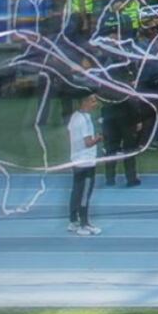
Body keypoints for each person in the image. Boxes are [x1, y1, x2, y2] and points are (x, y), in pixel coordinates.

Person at [67, 93, 102, 236]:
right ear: (85, 102)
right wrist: (99, 138)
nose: (96, 104)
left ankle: (73, 221)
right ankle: (84, 224)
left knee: (76, 191)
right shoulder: (85, 120)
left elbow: (70, 134)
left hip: (76, 159)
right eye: (93, 101)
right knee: (85, 194)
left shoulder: (74, 116)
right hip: (86, 162)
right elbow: (88, 143)